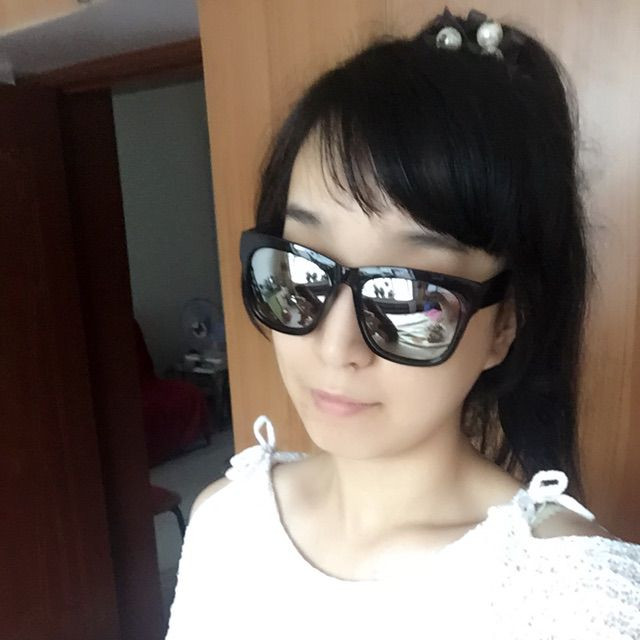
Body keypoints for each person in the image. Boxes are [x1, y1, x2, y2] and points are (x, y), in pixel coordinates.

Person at [165, 8, 640, 639]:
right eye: (303, 268)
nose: (335, 346)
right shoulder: (224, 521)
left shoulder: (575, 601)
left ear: (505, 324)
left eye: (410, 296)